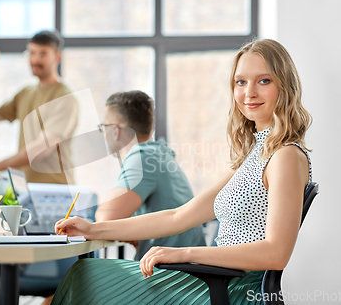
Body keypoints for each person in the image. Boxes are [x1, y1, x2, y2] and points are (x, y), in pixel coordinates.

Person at [51, 39, 313, 305]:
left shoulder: (285, 156)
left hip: (233, 289)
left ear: (285, 86)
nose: (249, 93)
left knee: (86, 276)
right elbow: (178, 216)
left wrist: (184, 254)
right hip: (212, 280)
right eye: (241, 82)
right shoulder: (257, 154)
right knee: (85, 275)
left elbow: (276, 253)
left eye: (264, 81)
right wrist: (94, 229)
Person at [95, 91, 205, 259]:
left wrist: (123, 229)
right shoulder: (160, 154)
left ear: (115, 131)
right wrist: (128, 230)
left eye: (103, 128)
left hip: (171, 273)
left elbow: (106, 218)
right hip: (185, 267)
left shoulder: (143, 157)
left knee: (81, 272)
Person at [0, 30, 78, 184]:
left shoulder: (65, 98)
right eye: (31, 53)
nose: (35, 60)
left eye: (42, 54)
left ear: (57, 57)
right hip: (25, 188)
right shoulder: (26, 93)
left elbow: (42, 148)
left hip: (55, 191)